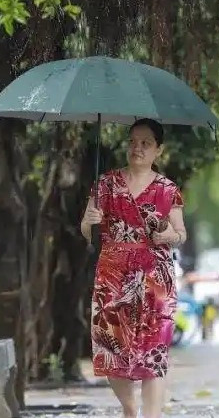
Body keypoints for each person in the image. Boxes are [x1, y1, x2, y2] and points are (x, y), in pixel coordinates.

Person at [80, 118, 186, 418]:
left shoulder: (168, 190)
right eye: (133, 141)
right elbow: (89, 233)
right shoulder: (105, 184)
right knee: (111, 349)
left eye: (145, 143)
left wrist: (168, 236)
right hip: (113, 274)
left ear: (158, 150)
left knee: (154, 353)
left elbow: (180, 234)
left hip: (156, 277)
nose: (137, 148)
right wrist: (88, 223)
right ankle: (129, 408)